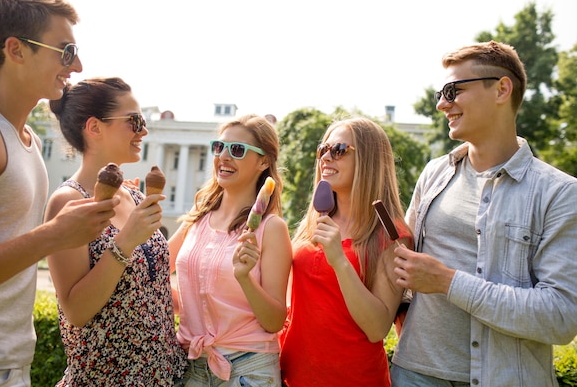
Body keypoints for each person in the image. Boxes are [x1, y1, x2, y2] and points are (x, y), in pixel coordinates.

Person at [0, 0, 118, 385]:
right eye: (65, 51)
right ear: (16, 50)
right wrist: (53, 237)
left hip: (7, 365)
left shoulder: (28, 139)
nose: (76, 66)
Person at [390, 41, 577, 387]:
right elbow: (405, 264)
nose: (442, 104)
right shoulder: (433, 174)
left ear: (502, 89)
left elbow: (561, 317)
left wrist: (448, 282)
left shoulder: (560, 193)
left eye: (453, 90)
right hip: (413, 375)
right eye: (440, 93)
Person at [44, 77, 188, 386]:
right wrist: (126, 241)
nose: (143, 131)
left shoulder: (134, 196)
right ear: (94, 127)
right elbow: (76, 311)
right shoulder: (69, 201)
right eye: (134, 121)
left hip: (166, 377)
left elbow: (149, 288)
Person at [279, 117, 413, 387]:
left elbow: (377, 329)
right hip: (291, 378)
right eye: (323, 150)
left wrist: (340, 261)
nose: (326, 157)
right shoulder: (313, 222)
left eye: (339, 150)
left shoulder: (391, 234)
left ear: (369, 160)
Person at [170, 114, 292, 386]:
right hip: (191, 364)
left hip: (248, 368)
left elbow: (274, 321)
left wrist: (245, 278)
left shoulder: (271, 228)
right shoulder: (198, 217)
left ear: (263, 161)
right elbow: (154, 267)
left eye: (237, 150)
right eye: (219, 147)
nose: (223, 156)